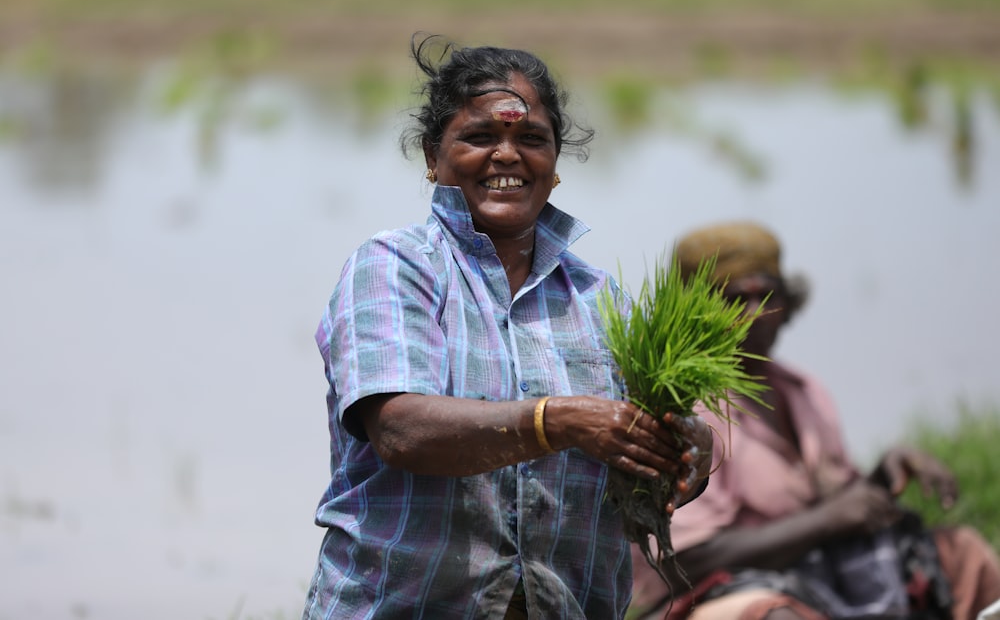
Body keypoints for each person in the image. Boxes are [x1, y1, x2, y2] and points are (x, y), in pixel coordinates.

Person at [300, 34, 713, 619]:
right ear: (432, 154)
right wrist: (558, 419)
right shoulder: (395, 266)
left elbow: (640, 465)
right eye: (480, 136)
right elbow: (400, 431)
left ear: (555, 161)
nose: (507, 156)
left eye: (530, 139)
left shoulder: (602, 300)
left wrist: (686, 452)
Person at [628, 221, 1000, 620]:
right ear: (696, 309)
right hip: (718, 595)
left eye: (767, 297)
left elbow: (839, 503)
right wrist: (827, 521)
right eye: (735, 299)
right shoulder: (685, 409)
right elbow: (686, 559)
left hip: (816, 570)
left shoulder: (801, 391)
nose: (755, 315)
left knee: (963, 554)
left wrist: (883, 476)